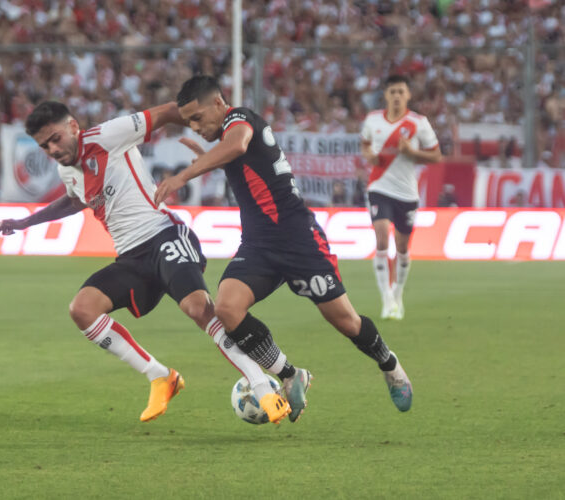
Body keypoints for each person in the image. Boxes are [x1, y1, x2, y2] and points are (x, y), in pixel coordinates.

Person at [0, 101, 292, 424]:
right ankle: (160, 376)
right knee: (82, 309)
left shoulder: (107, 136)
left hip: (164, 235)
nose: (52, 149)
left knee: (198, 308)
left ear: (73, 126)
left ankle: (262, 386)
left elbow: (169, 110)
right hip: (131, 257)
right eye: (44, 145)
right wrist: (24, 223)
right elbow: (74, 200)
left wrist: (216, 131)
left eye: (55, 138)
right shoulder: (67, 170)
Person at [155, 75, 413, 414]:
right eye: (188, 122)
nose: (194, 126)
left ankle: (390, 365)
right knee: (227, 309)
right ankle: (290, 375)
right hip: (259, 245)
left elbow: (236, 146)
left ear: (218, 104)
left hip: (299, 240)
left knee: (347, 322)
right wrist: (205, 155)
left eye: (198, 118)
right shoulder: (226, 135)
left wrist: (182, 176)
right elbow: (237, 158)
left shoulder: (241, 119)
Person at [360, 74, 442, 320]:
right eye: (392, 91)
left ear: (408, 95)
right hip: (379, 186)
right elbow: (365, 144)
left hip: (406, 192)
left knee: (403, 246)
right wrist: (369, 156)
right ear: (385, 95)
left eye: (400, 92)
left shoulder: (419, 123)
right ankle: (386, 298)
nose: (396, 96)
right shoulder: (373, 119)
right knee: (382, 236)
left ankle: (398, 293)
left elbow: (436, 156)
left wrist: (411, 151)